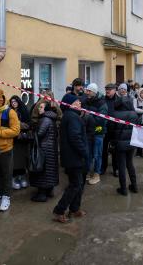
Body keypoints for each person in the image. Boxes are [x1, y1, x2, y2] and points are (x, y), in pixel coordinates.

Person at [53, 94, 88, 223]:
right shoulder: (72, 117)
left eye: (79, 101)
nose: (79, 103)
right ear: (70, 104)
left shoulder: (71, 116)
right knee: (75, 185)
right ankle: (59, 211)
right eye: (77, 102)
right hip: (74, 157)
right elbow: (75, 138)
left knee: (78, 184)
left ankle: (74, 209)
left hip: (73, 157)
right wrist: (85, 152)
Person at [0, 89, 20, 212]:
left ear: (1, 103)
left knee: (6, 175)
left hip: (6, 150)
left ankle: (6, 197)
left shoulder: (10, 112)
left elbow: (16, 130)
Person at [25, 101, 59, 202]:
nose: (39, 109)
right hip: (50, 149)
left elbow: (38, 134)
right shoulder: (51, 118)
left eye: (41, 107)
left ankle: (42, 194)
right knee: (49, 171)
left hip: (44, 150)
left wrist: (27, 135)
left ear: (46, 109)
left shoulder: (45, 119)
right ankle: (49, 191)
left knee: (42, 171)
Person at [81, 83, 107, 185]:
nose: (86, 92)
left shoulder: (102, 103)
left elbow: (101, 120)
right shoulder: (86, 100)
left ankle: (97, 174)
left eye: (89, 91)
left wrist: (87, 117)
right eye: (86, 90)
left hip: (98, 132)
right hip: (88, 132)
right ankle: (88, 172)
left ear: (94, 92)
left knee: (97, 154)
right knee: (88, 154)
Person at [10, 95, 30, 190]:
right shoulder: (9, 111)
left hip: (22, 139)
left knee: (22, 160)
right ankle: (14, 178)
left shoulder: (24, 110)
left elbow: (28, 124)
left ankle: (22, 177)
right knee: (14, 161)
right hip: (13, 140)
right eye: (12, 102)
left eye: (15, 101)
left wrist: (17, 124)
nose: (14, 103)